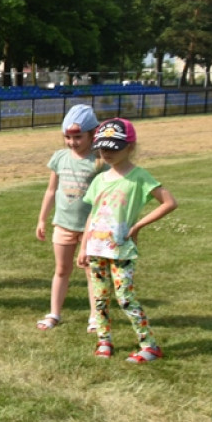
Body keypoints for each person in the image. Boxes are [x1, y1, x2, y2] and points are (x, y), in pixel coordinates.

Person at [77, 118, 177, 362]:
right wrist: (83, 247)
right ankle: (104, 341)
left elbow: (169, 202)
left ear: (130, 147)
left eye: (114, 148)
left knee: (125, 298)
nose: (107, 153)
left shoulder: (139, 177)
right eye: (103, 148)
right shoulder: (100, 179)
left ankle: (149, 345)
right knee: (99, 299)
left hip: (121, 250)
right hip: (96, 249)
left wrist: (138, 225)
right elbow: (93, 213)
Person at [34, 104, 102, 331]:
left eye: (78, 137)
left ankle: (95, 316)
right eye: (67, 137)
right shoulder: (60, 158)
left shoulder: (99, 161)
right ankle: (54, 313)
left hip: (91, 228)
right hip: (63, 225)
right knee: (61, 270)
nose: (72, 142)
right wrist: (42, 219)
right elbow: (51, 190)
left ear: (92, 133)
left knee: (92, 272)